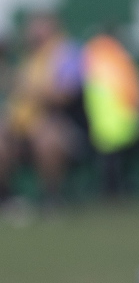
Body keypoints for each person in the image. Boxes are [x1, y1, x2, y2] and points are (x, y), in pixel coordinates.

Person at [0, 12, 84, 206]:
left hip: (61, 121)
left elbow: (65, 94)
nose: (32, 32)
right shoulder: (27, 57)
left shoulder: (67, 52)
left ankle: (51, 196)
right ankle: (5, 196)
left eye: (38, 26)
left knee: (47, 137)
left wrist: (28, 87)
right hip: (21, 124)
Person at [82, 31, 139, 197]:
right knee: (113, 161)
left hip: (123, 126)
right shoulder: (105, 59)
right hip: (110, 129)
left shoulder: (106, 59)